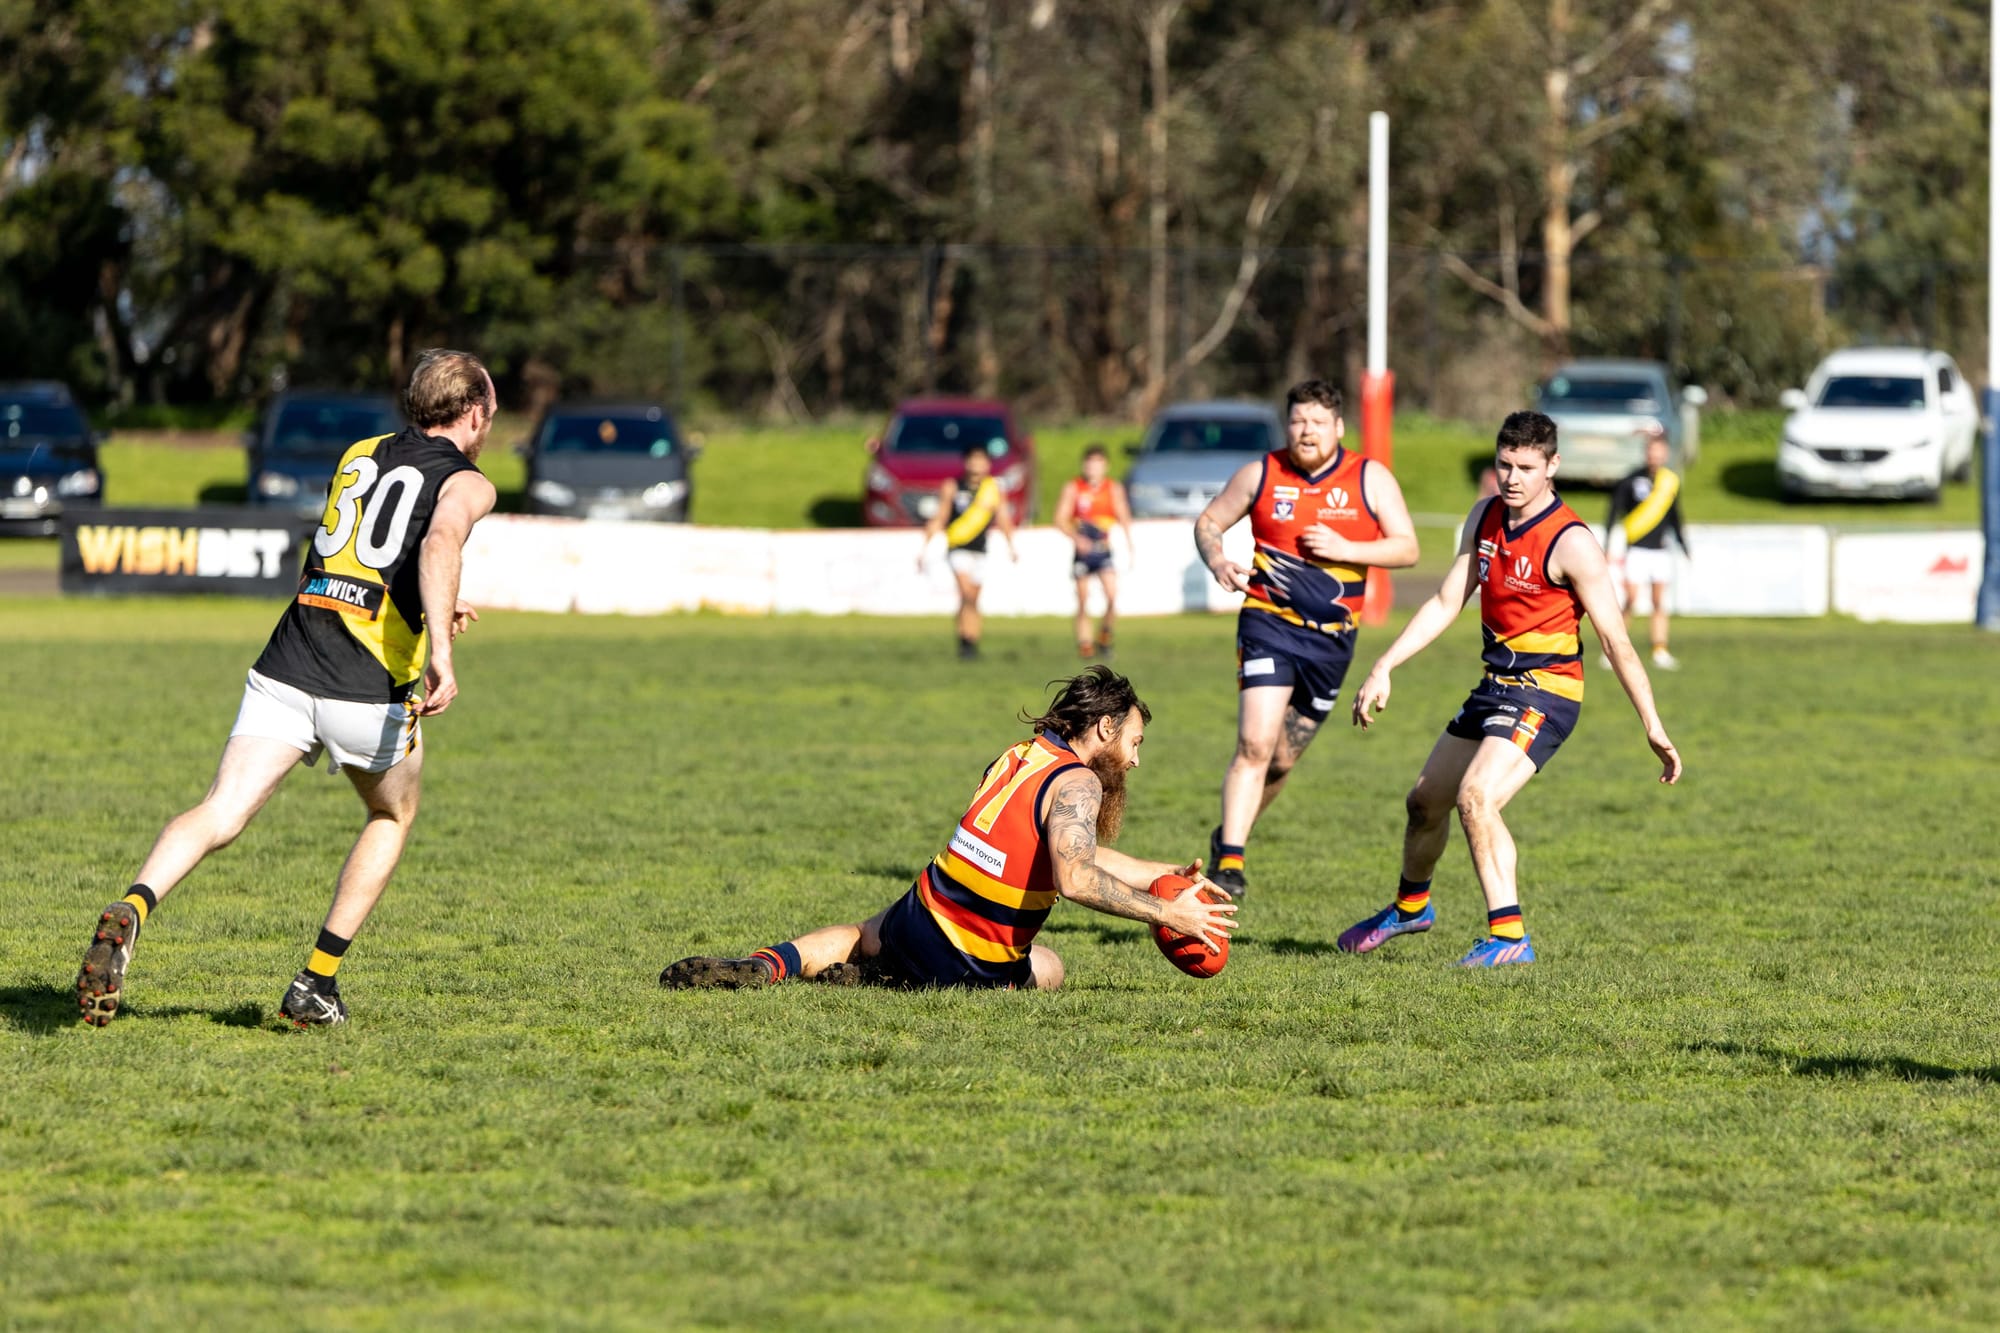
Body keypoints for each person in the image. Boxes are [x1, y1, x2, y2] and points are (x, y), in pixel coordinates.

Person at [75, 349, 500, 1026]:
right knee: (392, 815)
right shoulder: (471, 482)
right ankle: (315, 984)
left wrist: (435, 603)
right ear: (474, 412)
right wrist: (442, 654)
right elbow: (437, 542)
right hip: (367, 686)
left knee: (221, 810)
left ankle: (133, 905)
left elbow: (369, 551)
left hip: (288, 662)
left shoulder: (361, 450)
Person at [1340, 410, 1682, 967]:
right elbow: (1447, 601)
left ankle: (1509, 937)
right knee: (1425, 802)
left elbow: (1617, 642)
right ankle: (1410, 908)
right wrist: (1385, 665)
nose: (1513, 477)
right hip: (1494, 688)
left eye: (1526, 466)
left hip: (1547, 694)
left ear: (1553, 466)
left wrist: (1653, 725)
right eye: (1505, 464)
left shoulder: (1572, 543)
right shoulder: (1484, 518)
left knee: (1476, 797)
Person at [659, 667, 1236, 991]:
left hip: (922, 916)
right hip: (974, 956)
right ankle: (897, 983)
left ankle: (767, 963)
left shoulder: (1021, 756)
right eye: (1134, 742)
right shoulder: (1080, 783)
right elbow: (1076, 877)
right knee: (1051, 967)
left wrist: (1160, 873)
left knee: (864, 931)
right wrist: (1168, 913)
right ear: (1107, 727)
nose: (1134, 760)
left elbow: (1063, 848)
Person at [1192, 379, 1419, 898]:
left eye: (1317, 421)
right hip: (1267, 624)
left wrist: (1346, 545)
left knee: (1281, 760)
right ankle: (1230, 861)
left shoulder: (1369, 478)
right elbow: (1209, 521)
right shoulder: (1261, 473)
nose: (1306, 431)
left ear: (1338, 427)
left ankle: (1231, 829)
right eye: (1298, 421)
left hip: (1332, 643)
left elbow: (1407, 548)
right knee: (1254, 741)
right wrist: (1218, 557)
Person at [919, 445, 1018, 660]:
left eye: (981, 460)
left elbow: (1003, 518)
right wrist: (924, 546)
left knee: (974, 597)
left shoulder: (993, 488)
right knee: (966, 593)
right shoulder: (953, 486)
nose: (977, 465)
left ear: (988, 464)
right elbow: (941, 516)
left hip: (981, 550)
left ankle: (971, 641)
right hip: (958, 547)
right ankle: (964, 641)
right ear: (966, 462)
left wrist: (1012, 545)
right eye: (973, 460)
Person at [1605, 423, 1690, 670]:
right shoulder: (1631, 480)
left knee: (1658, 602)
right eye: (1652, 451)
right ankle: (1614, 649)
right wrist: (1609, 542)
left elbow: (1676, 517)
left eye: (1659, 451)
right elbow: (1614, 510)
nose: (1655, 456)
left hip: (1660, 551)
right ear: (1646, 452)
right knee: (1630, 599)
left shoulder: (1669, 482)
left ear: (1665, 454)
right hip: (1637, 550)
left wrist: (1684, 546)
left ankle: (1660, 648)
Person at [1054, 443, 1135, 659]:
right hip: (1083, 552)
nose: (1093, 468)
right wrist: (1076, 538)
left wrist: (1130, 545)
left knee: (1111, 595)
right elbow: (1060, 519)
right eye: (1089, 464)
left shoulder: (1113, 488)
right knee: (1082, 598)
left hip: (1104, 549)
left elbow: (1124, 516)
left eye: (1097, 464)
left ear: (1105, 466)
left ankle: (1105, 635)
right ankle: (1085, 644)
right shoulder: (1074, 488)